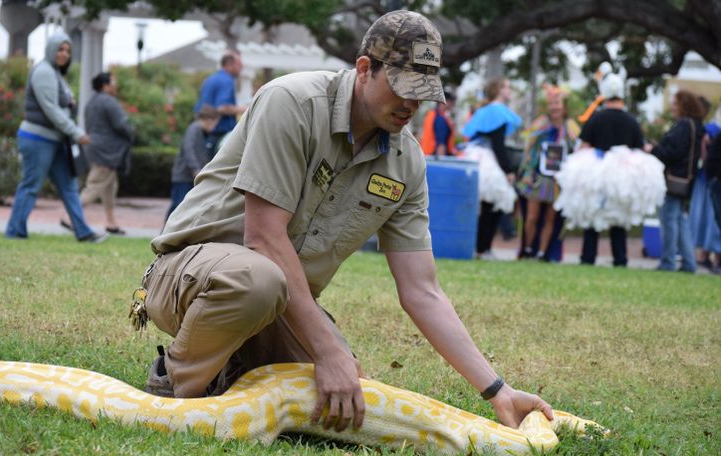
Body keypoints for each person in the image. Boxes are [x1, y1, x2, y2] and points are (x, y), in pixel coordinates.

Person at [138, 11, 553, 432]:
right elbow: (263, 239)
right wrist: (327, 348)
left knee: (343, 400)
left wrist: (496, 390)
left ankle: (233, 369)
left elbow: (423, 290)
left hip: (279, 303)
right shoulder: (292, 103)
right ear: (364, 69)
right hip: (191, 277)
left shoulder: (405, 163)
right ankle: (174, 388)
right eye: (401, 87)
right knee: (259, 282)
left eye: (422, 92)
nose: (411, 104)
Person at [5, 32, 106, 243]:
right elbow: (51, 109)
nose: (64, 54)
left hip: (55, 140)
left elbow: (62, 107)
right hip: (37, 139)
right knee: (31, 185)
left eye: (68, 50)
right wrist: (77, 132)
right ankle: (15, 231)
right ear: (50, 49)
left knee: (70, 187)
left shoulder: (55, 73)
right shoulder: (43, 72)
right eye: (60, 49)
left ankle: (83, 232)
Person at [577, 73, 644, 266]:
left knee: (593, 213)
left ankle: (588, 257)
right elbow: (638, 149)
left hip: (597, 171)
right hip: (622, 174)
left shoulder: (596, 118)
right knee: (619, 216)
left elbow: (584, 146)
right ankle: (620, 258)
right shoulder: (631, 121)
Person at [517, 84, 580, 261]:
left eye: (558, 103)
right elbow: (529, 150)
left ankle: (542, 253)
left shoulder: (571, 127)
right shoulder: (540, 124)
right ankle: (528, 249)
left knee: (550, 219)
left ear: (565, 106)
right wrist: (528, 173)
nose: (555, 107)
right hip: (537, 178)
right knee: (531, 217)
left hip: (558, 180)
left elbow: (577, 151)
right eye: (551, 103)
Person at [461, 78, 522, 260]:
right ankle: (483, 248)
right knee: (494, 202)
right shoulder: (498, 112)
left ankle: (480, 248)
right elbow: (498, 145)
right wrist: (508, 170)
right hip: (487, 158)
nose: (510, 91)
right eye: (507, 87)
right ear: (499, 90)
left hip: (475, 156)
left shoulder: (484, 110)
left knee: (485, 205)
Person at [67, 72, 134, 235]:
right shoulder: (109, 101)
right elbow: (121, 125)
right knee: (95, 186)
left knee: (110, 187)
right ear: (105, 85)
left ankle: (111, 223)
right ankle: (69, 218)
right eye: (113, 81)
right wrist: (132, 133)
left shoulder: (92, 101)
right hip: (107, 152)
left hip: (95, 148)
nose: (116, 84)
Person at [647, 90, 705, 273]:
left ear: (683, 105)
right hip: (685, 181)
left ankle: (668, 262)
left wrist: (653, 149)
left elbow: (673, 154)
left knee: (669, 221)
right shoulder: (696, 125)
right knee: (680, 221)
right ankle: (688, 262)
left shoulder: (683, 126)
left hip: (672, 180)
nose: (672, 107)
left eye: (675, 103)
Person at [165, 105, 220, 220]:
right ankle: (166, 233)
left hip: (189, 177)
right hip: (183, 177)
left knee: (182, 207)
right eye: (215, 123)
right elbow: (188, 149)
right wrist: (196, 169)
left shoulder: (201, 132)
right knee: (178, 206)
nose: (215, 127)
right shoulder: (194, 129)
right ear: (210, 119)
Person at [195, 50, 247, 160]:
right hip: (219, 134)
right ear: (229, 65)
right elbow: (222, 107)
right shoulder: (226, 80)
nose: (242, 68)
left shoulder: (210, 79)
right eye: (239, 65)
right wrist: (245, 109)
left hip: (204, 133)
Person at [689, 103, 721, 272]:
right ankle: (709, 256)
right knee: (712, 219)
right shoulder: (713, 129)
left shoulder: (712, 129)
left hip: (710, 177)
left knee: (712, 219)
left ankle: (708, 256)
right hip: (711, 178)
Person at [420, 91, 456, 155]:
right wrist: (441, 162)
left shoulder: (431, 115)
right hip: (435, 156)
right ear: (444, 102)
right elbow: (441, 145)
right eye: (450, 102)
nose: (452, 104)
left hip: (426, 154)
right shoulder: (440, 119)